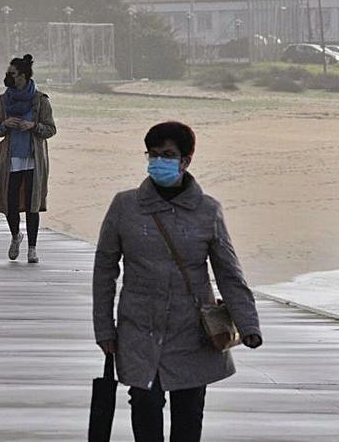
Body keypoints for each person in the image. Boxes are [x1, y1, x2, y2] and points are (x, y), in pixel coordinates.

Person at [94, 121, 263, 442]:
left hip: (192, 331)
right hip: (138, 327)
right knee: (144, 400)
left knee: (188, 410)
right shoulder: (125, 206)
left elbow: (228, 271)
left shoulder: (207, 210)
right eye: (153, 154)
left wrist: (248, 325)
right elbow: (105, 269)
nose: (159, 161)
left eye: (168, 155)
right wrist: (104, 328)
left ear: (185, 161)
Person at [0, 55, 56, 264]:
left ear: (24, 76)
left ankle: (32, 249)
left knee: (31, 204)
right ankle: (15, 236)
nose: (9, 77)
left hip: (34, 159)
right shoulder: (3, 101)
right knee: (10, 203)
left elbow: (51, 129)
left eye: (13, 74)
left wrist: (33, 127)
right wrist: (6, 123)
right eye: (8, 73)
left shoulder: (40, 100)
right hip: (10, 159)